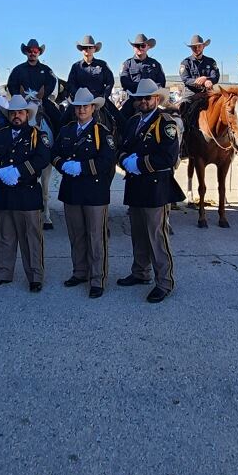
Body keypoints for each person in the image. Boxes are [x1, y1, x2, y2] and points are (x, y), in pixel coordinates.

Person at [117, 79, 184, 304]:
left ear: (157, 99)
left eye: (148, 97)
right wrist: (125, 160)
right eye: (140, 98)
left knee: (157, 235)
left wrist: (140, 163)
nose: (144, 101)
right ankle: (140, 272)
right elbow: (122, 148)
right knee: (138, 233)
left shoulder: (165, 122)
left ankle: (164, 282)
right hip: (135, 185)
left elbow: (168, 156)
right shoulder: (132, 122)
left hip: (156, 186)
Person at [50, 88, 117, 299]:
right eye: (78, 106)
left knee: (96, 236)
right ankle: (80, 272)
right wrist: (62, 165)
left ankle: (97, 278)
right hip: (71, 191)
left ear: (93, 108)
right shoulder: (66, 131)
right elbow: (54, 153)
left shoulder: (102, 133)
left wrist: (83, 168)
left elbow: (108, 161)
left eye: (85, 106)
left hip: (94, 192)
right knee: (76, 234)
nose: (81, 110)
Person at [0, 94, 52, 292]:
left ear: (27, 114)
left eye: (20, 112)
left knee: (31, 238)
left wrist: (19, 171)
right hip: (4, 193)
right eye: (13, 112)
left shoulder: (38, 135)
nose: (16, 116)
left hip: (27, 194)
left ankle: (35, 276)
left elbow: (43, 157)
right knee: (3, 236)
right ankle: (2, 272)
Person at [119, 33, 167, 120]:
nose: (140, 48)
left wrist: (152, 92)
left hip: (152, 99)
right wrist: (139, 90)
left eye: (143, 46)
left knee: (171, 113)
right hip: (134, 98)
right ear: (133, 48)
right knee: (121, 118)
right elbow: (125, 82)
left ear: (148, 47)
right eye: (137, 46)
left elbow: (161, 82)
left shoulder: (155, 64)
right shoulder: (127, 64)